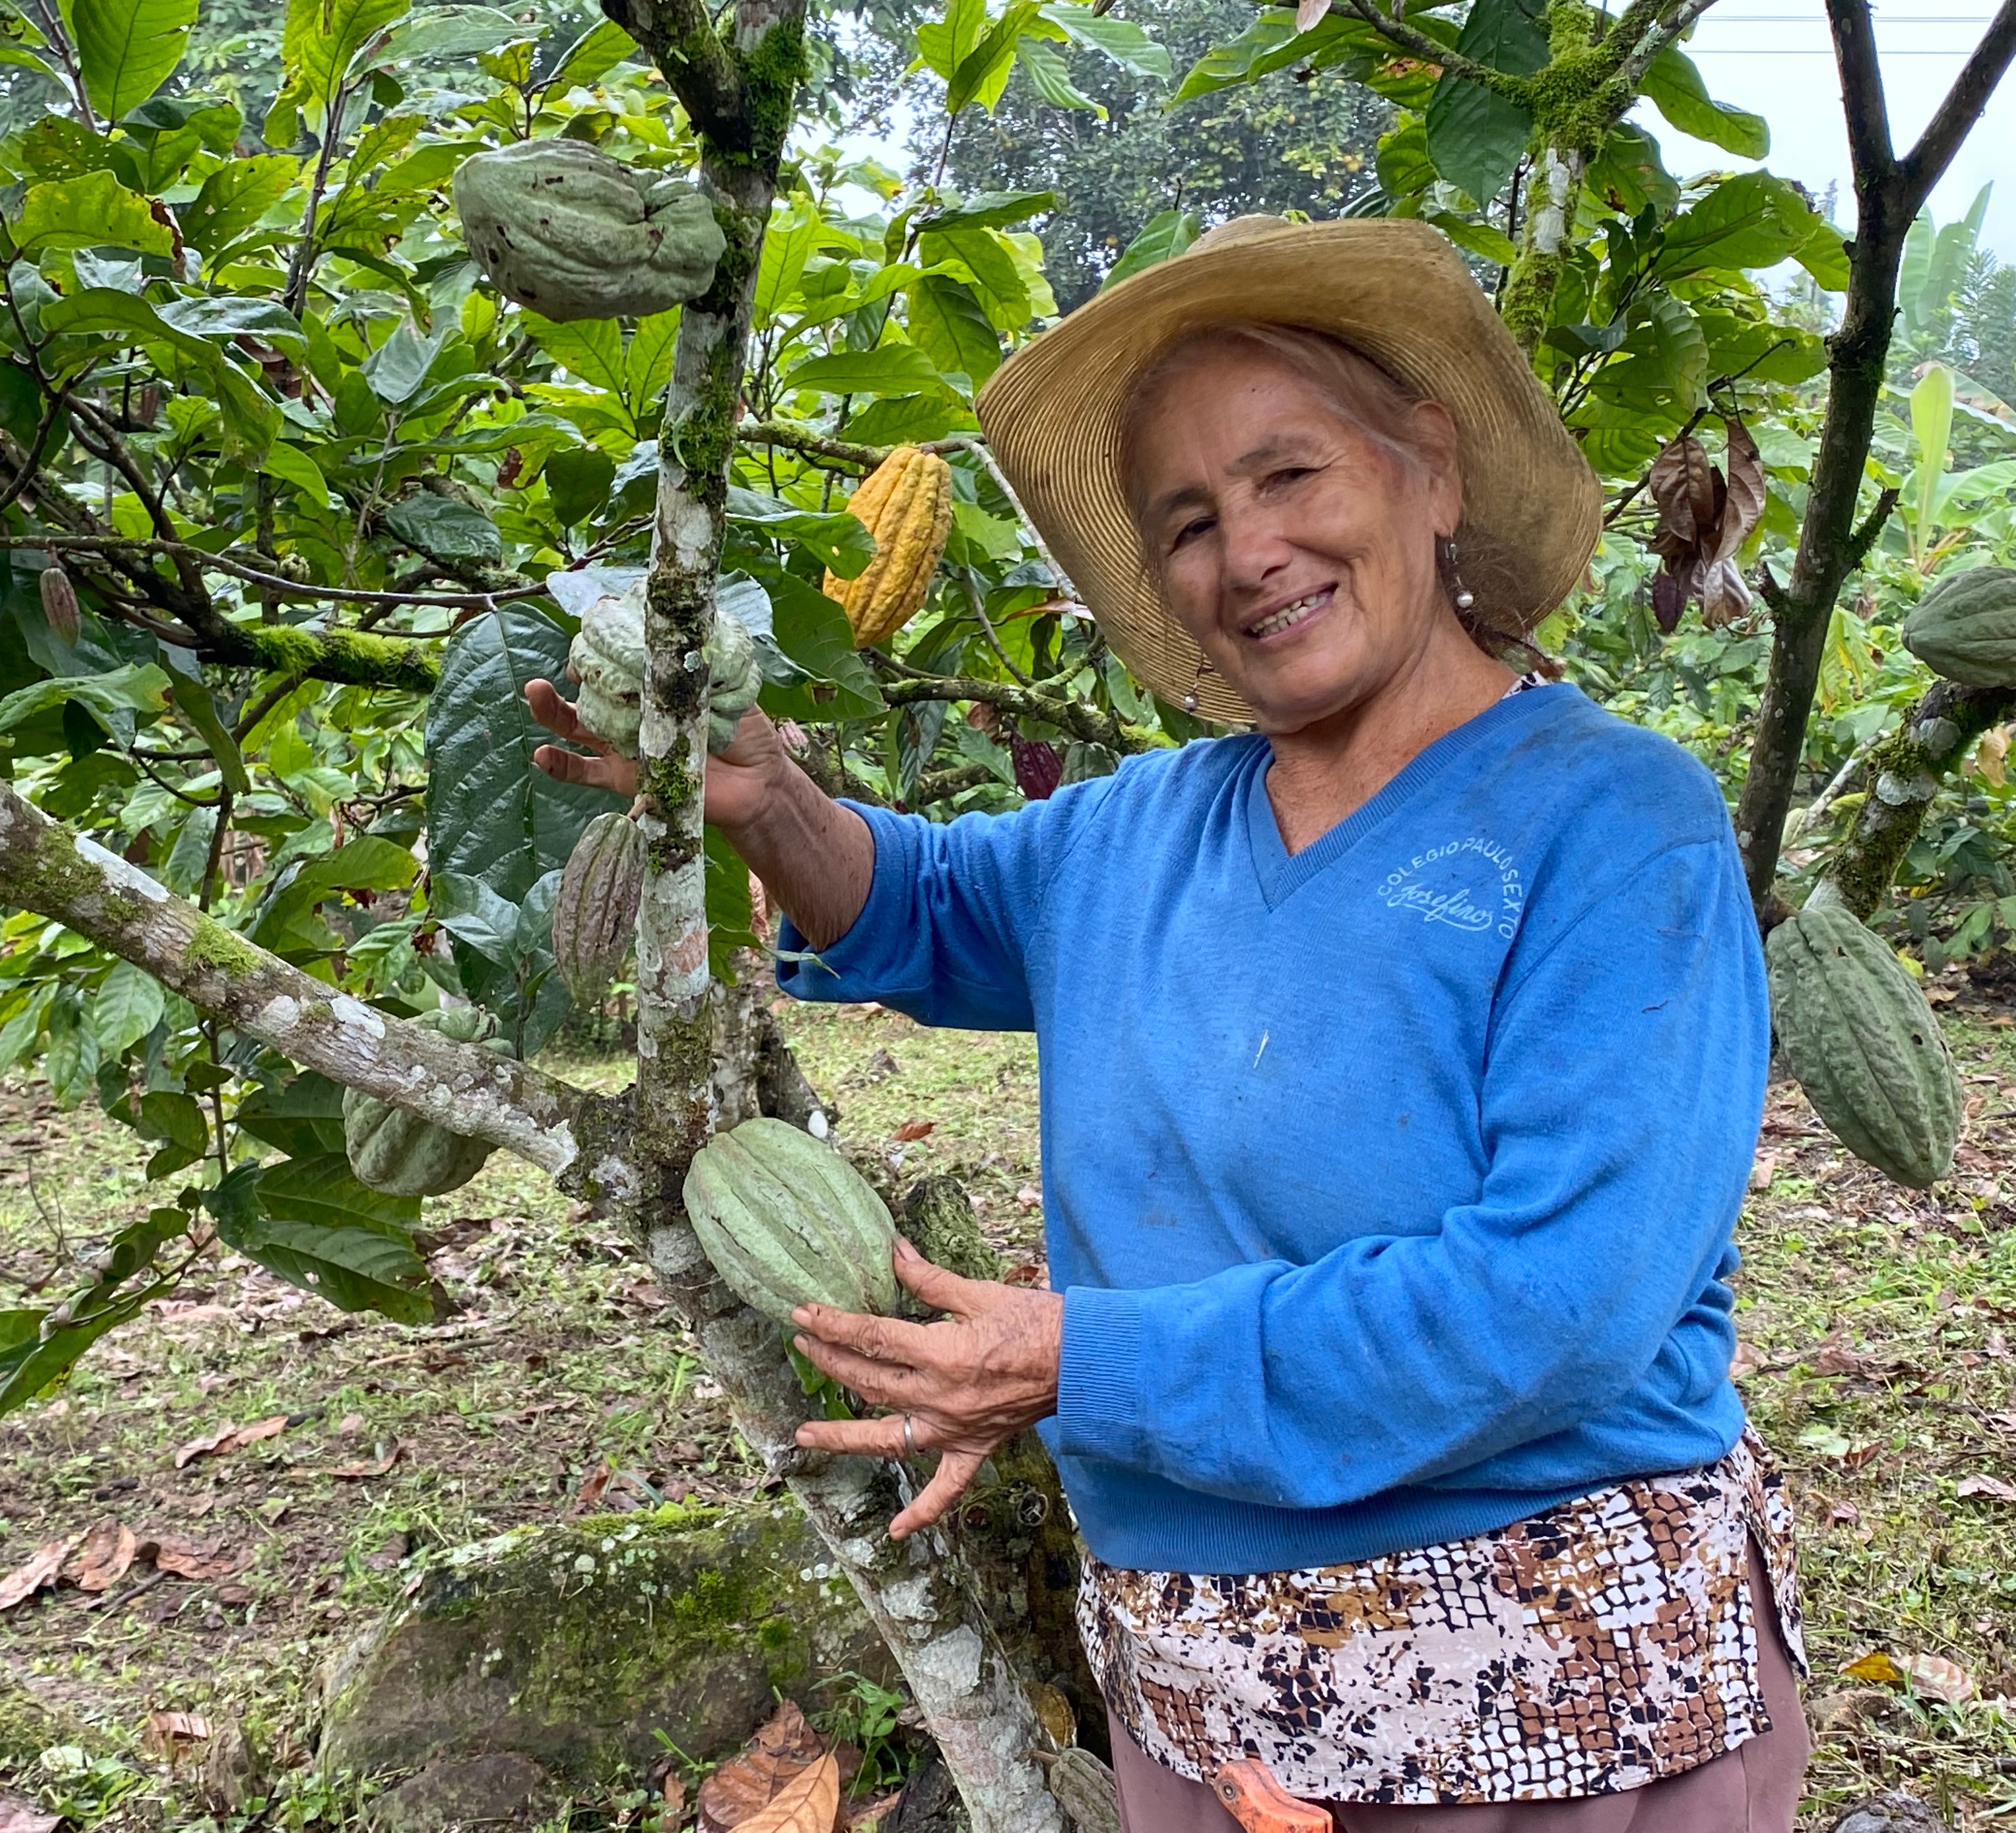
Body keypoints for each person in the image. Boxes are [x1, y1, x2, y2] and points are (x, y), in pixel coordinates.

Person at [528, 216, 1806, 1831]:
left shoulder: (1614, 824)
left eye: (1289, 475)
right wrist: (771, 798)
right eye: (1188, 521)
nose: (1247, 551)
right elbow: (919, 901)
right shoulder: (1138, 832)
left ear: (1432, 469)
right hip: (1203, 1709)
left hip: (1557, 1712)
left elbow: (1562, 1303)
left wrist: (1085, 1358)